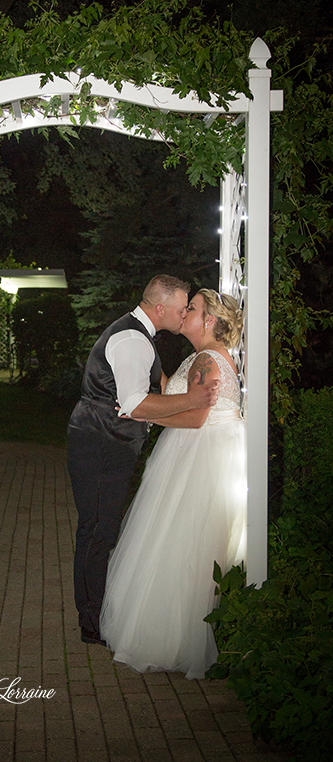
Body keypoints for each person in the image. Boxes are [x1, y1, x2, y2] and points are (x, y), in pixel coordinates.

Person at [99, 289, 247, 678]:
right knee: (175, 541)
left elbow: (197, 417)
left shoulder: (208, 359)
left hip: (197, 458)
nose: (187, 314)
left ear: (210, 321)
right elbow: (174, 392)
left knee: (182, 544)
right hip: (192, 453)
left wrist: (141, 416)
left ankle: (172, 637)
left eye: (194, 309)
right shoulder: (202, 357)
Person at [67, 275, 220, 646]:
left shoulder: (137, 335)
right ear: (161, 308)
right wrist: (194, 401)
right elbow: (134, 405)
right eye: (182, 306)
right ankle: (93, 622)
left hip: (100, 440)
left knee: (98, 529)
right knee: (99, 530)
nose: (184, 313)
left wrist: (179, 391)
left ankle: (92, 615)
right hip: (103, 444)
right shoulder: (133, 340)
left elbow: (153, 386)